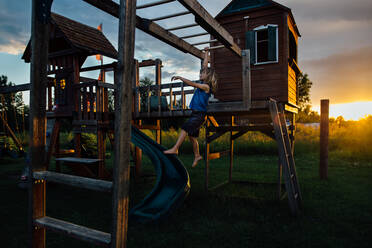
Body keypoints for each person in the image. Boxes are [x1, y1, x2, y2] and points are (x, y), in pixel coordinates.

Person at [164, 48, 218, 168]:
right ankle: (197, 155)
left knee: (184, 128)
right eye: (200, 73)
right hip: (195, 114)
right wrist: (207, 53)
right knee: (192, 136)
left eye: (202, 73)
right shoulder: (203, 83)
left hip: (199, 115)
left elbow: (193, 84)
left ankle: (175, 148)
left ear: (208, 76)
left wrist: (180, 77)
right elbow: (204, 65)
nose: (200, 74)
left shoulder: (206, 86)